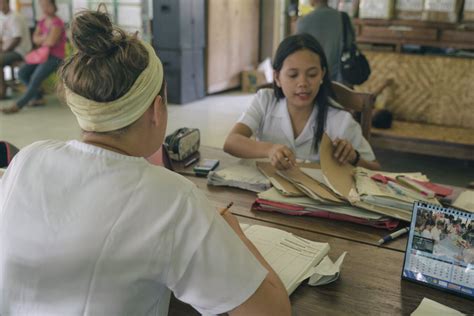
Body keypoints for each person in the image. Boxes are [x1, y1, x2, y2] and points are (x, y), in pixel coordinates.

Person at [0, 8, 291, 315]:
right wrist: (234, 233)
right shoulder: (172, 199)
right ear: (156, 109)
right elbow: (271, 311)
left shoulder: (29, 159)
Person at [224, 33, 380, 170]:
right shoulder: (265, 101)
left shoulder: (341, 121)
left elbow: (375, 169)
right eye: (293, 75)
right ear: (277, 77)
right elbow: (231, 142)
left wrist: (354, 158)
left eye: (312, 74)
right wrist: (270, 149)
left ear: (322, 75)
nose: (303, 83)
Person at [1, 0, 65, 114]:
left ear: (53, 5)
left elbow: (51, 42)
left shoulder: (57, 22)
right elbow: (35, 39)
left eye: (47, 5)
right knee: (22, 73)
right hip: (41, 55)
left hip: (55, 57)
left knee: (35, 78)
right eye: (42, 6)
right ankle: (37, 96)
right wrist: (44, 38)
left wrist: (42, 38)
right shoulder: (42, 21)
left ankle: (17, 105)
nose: (45, 8)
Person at [295, 0, 355, 83]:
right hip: (340, 81)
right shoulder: (343, 18)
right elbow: (350, 44)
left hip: (312, 80)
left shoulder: (303, 22)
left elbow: (297, 52)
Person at [0, 0, 32, 97]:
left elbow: (17, 39)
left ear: (7, 3)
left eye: (1, 3)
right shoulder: (2, 17)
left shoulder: (15, 17)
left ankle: (2, 91)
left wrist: (3, 51)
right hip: (8, 50)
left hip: (20, 51)